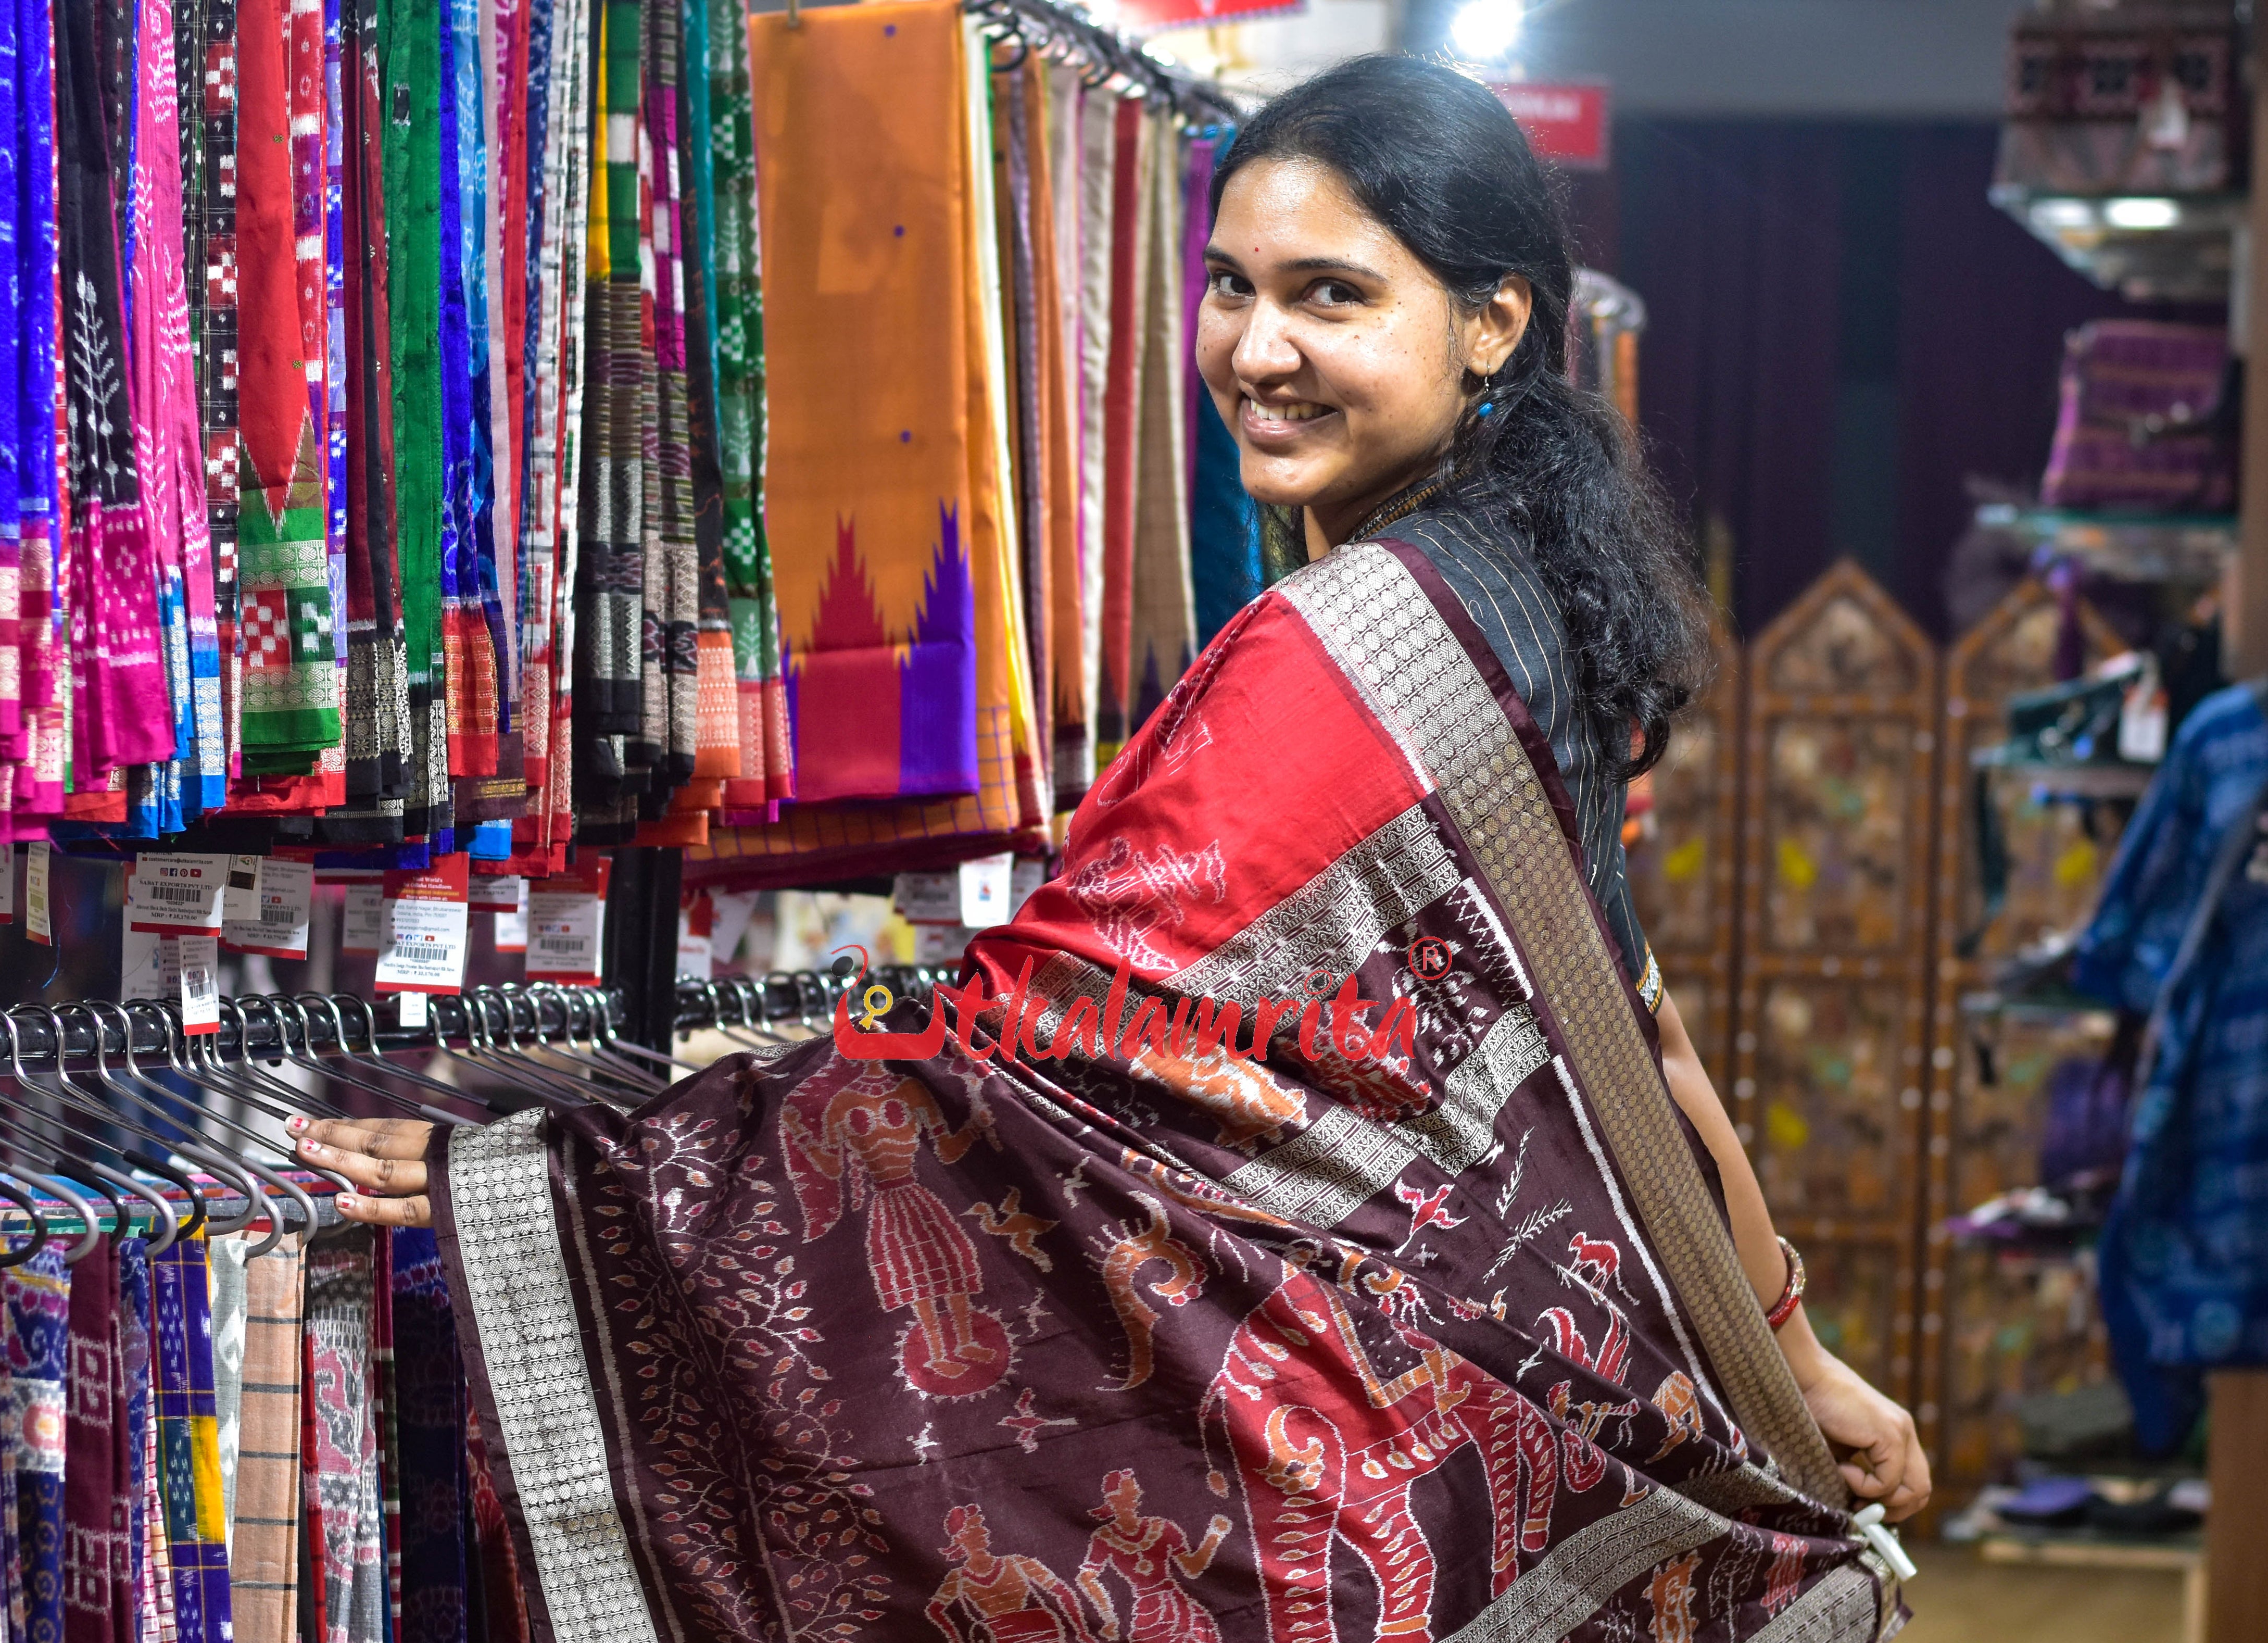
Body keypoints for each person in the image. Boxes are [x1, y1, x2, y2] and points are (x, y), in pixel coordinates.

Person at [300, 53, 1929, 1525]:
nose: (1257, 350)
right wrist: (1791, 1347)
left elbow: (1020, 1062)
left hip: (1302, 1486)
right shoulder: (1509, 601)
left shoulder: (1348, 647)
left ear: (1493, 322)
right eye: (1230, 287)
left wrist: (572, 1172)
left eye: (1333, 297)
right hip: (1430, 1474)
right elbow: (1639, 1041)